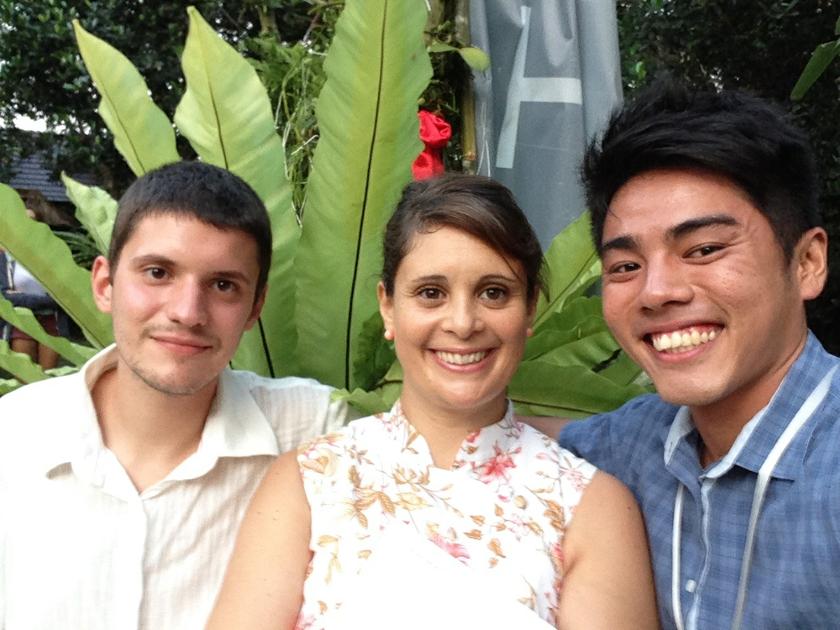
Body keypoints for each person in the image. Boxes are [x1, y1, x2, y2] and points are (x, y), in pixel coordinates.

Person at [208, 174, 658, 630]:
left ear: (530, 309)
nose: (462, 323)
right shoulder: (310, 482)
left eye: (493, 292)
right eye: (431, 293)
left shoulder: (590, 505)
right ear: (388, 306)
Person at [529, 80, 838, 629]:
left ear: (807, 262)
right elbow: (507, 435)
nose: (656, 291)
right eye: (625, 266)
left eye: (704, 250)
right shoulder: (636, 444)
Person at [0, 161, 350, 630]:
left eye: (223, 285)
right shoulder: (14, 437)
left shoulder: (313, 432)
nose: (188, 312)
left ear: (255, 307)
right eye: (158, 272)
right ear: (104, 284)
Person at [2, 209, 61, 369]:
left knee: (48, 379)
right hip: (22, 321)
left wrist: (22, 297)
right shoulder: (7, 256)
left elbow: (62, 298)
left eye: (32, 221)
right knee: (25, 379)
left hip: (49, 321)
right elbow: (6, 296)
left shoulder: (51, 256)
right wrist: (44, 300)